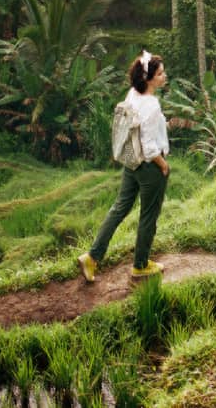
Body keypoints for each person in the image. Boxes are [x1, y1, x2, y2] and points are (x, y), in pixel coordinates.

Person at [77, 51, 171, 283]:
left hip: (132, 162)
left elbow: (137, 128)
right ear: (149, 78)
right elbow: (149, 147)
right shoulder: (152, 104)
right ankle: (140, 265)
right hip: (149, 166)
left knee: (119, 209)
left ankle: (92, 256)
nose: (164, 76)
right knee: (148, 215)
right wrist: (163, 164)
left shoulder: (132, 95)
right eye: (160, 73)